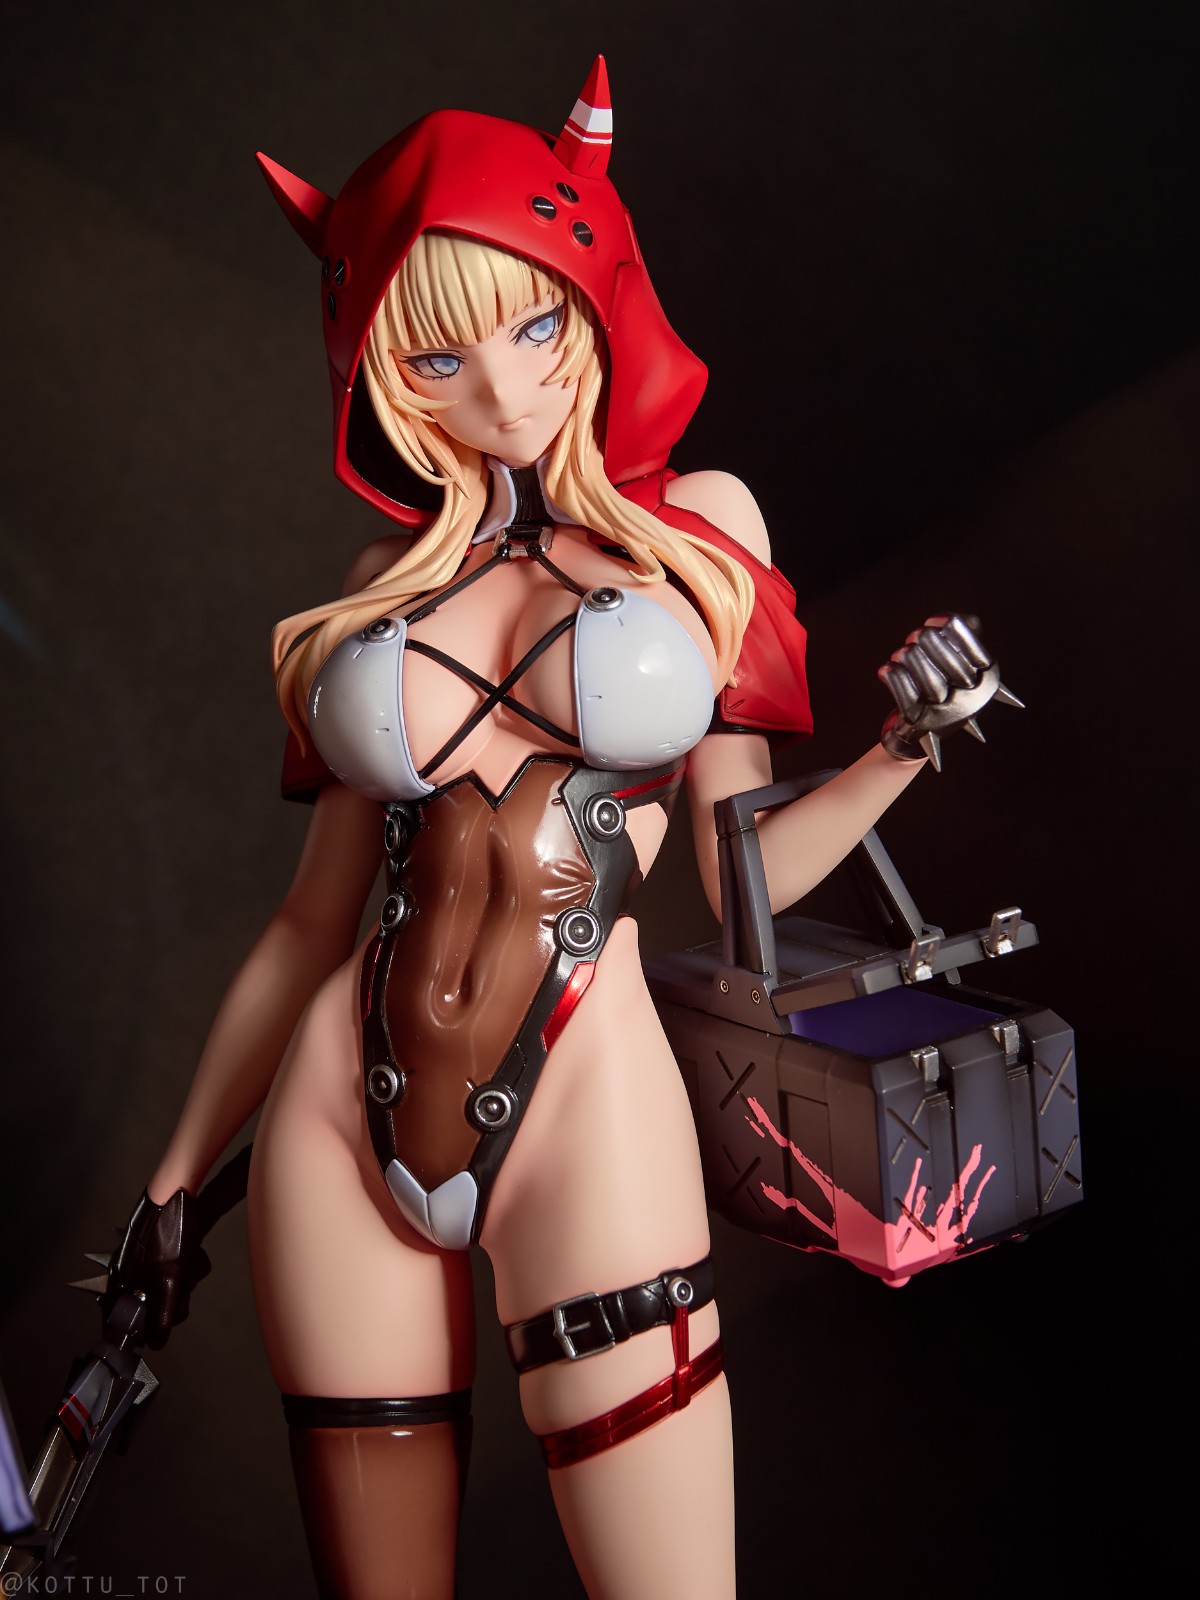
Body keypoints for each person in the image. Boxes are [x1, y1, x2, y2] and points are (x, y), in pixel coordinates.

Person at [107, 59, 1006, 1600]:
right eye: (436, 354)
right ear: (377, 370)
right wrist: (176, 1177)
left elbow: (740, 881)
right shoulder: (382, 586)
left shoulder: (699, 530)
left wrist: (904, 751)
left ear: (596, 301)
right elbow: (313, 919)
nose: (505, 389)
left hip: (587, 1084)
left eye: (535, 324)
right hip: (339, 1107)